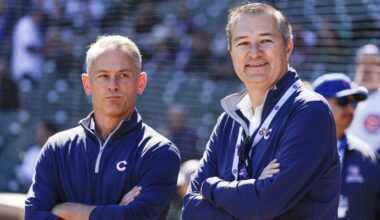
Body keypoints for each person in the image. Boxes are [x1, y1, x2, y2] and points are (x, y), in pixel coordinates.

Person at [182, 3, 340, 219]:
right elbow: (191, 210)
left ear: (288, 46)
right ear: (231, 53)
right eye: (243, 43)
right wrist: (253, 189)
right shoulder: (228, 120)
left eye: (266, 41)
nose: (254, 53)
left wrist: (210, 188)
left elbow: (264, 205)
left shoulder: (310, 111)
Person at [25, 35, 181, 219]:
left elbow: (136, 217)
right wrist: (116, 211)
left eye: (123, 75)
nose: (113, 85)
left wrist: (67, 211)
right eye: (103, 76)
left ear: (140, 82)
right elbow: (34, 215)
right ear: (87, 84)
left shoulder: (159, 152)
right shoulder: (57, 148)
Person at [313, 73, 380, 220]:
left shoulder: (368, 156)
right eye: (343, 101)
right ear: (318, 104)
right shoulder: (293, 152)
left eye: (354, 103)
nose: (351, 110)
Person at [347, 44, 380, 153]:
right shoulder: (343, 95)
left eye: (373, 63)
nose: (367, 69)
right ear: (357, 66)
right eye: (364, 63)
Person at [15, 121, 57, 190]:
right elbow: (24, 173)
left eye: (40, 130)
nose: (37, 133)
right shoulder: (32, 151)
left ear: (49, 133)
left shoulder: (58, 152)